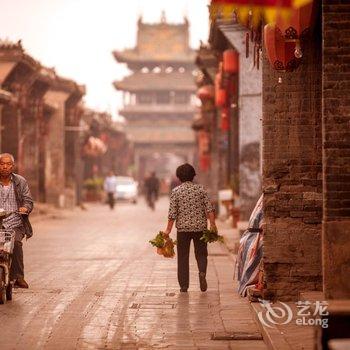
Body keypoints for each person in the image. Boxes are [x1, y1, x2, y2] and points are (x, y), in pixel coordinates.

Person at [163, 163, 217, 293]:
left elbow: (172, 214)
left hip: (183, 230)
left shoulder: (176, 192)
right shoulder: (201, 190)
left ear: (179, 177)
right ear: (193, 176)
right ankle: (202, 273)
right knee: (201, 254)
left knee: (183, 257)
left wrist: (168, 230)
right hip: (200, 228)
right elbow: (209, 209)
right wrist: (213, 225)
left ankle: (183, 286)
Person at [0, 153, 33, 288]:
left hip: (15, 223)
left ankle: (18, 276)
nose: (5, 167)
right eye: (2, 164)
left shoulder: (20, 181)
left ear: (13, 166)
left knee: (17, 244)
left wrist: (25, 208)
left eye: (8, 164)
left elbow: (28, 200)